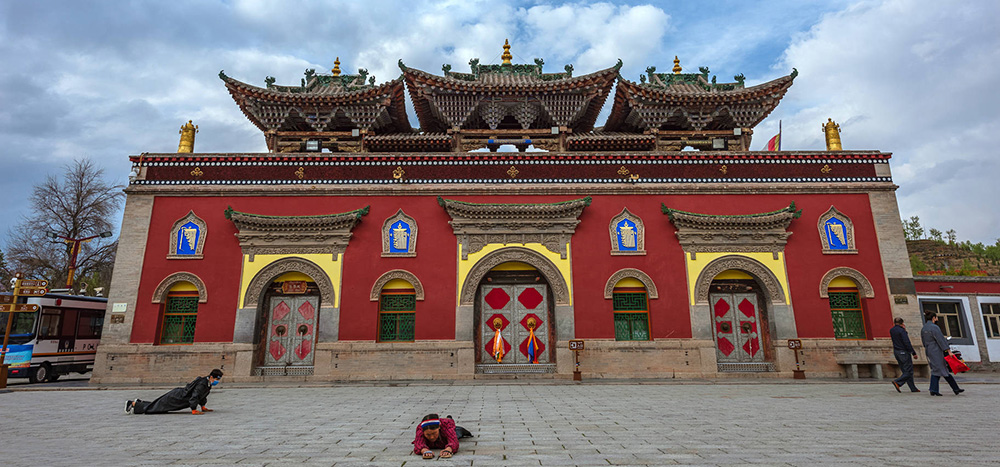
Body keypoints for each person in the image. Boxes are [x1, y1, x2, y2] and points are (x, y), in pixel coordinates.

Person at [124, 369, 223, 415]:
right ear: (211, 377)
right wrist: (193, 409)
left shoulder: (207, 383)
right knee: (156, 409)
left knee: (158, 406)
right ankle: (131, 404)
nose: (216, 381)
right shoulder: (202, 383)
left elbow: (202, 396)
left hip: (179, 397)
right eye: (216, 379)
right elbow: (196, 395)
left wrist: (203, 406)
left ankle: (139, 403)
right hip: (176, 397)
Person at [920, 312, 964, 396]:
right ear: (934, 318)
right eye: (936, 317)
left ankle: (953, 388)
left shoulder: (924, 328)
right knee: (941, 369)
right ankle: (938, 389)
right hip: (936, 350)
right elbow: (941, 340)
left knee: (938, 369)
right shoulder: (934, 327)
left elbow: (923, 341)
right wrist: (948, 351)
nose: (937, 319)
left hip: (929, 350)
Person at [889, 317, 920, 393]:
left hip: (896, 352)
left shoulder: (892, 330)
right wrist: (913, 353)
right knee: (909, 371)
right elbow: (907, 342)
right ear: (902, 323)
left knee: (905, 371)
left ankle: (913, 388)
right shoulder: (902, 331)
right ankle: (898, 382)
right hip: (904, 352)